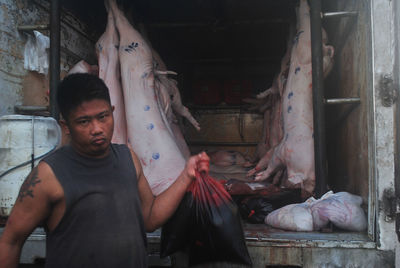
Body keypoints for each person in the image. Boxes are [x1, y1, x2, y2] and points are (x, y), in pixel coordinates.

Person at [0, 73, 209, 268]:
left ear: (113, 112)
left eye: (103, 116)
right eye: (84, 121)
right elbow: (11, 241)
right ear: (66, 126)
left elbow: (150, 218)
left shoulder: (128, 158)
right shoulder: (48, 176)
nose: (97, 128)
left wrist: (186, 176)